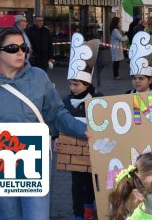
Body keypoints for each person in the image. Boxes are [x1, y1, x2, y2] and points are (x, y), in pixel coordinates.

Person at [0, 27, 88, 219]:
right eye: (12, 48)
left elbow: (56, 113)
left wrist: (83, 130)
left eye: (23, 47)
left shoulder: (38, 76)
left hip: (34, 162)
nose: (20, 52)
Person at [55, 33, 101, 220]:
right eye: (70, 84)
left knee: (91, 181)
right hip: (74, 152)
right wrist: (55, 138)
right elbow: (58, 121)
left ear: (87, 83)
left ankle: (89, 206)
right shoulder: (65, 101)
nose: (72, 87)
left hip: (93, 150)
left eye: (76, 84)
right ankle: (78, 213)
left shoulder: (98, 100)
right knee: (76, 183)